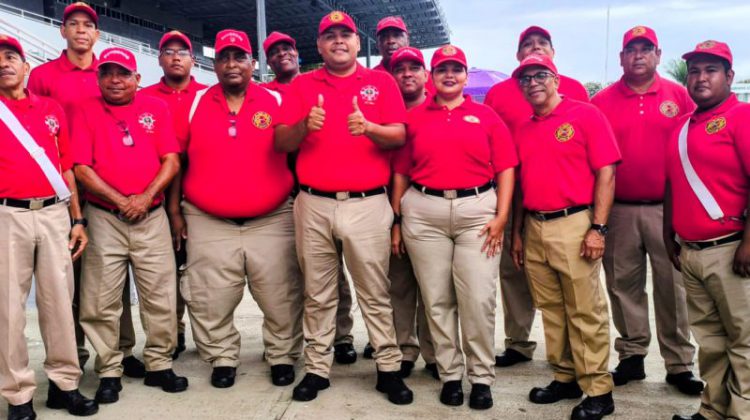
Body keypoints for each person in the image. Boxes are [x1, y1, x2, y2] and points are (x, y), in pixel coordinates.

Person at [275, 11, 412, 404]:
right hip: (314, 201)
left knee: (374, 290)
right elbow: (281, 142)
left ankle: (388, 367)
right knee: (318, 292)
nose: (338, 40)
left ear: (357, 42)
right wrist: (304, 126)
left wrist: (369, 128)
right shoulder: (302, 85)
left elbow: (399, 135)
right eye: (330, 35)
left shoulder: (380, 82)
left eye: (345, 35)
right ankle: (317, 368)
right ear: (319, 45)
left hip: (367, 202)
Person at [175, 29, 304, 389]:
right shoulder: (194, 102)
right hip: (208, 218)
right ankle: (222, 356)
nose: (232, 64)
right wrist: (174, 212)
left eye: (240, 57)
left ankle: (281, 354)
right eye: (224, 57)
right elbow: (177, 161)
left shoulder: (276, 100)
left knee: (281, 292)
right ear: (214, 64)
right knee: (210, 295)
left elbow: (296, 152)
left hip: (271, 217)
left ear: (252, 62)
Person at [392, 45, 516, 409]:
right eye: (442, 69)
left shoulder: (486, 116)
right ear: (432, 76)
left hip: (476, 211)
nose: (450, 75)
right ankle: (449, 374)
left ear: (465, 75)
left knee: (478, 298)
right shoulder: (415, 118)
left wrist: (502, 216)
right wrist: (397, 220)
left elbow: (506, 168)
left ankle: (481, 376)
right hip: (424, 211)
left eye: (456, 69)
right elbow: (401, 172)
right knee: (437, 299)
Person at [27, 1, 143, 377]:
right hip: (65, 188)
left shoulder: (109, 70)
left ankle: (122, 350)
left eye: (87, 25)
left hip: (105, 191)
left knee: (111, 279)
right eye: (73, 24)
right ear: (62, 31)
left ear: (96, 34)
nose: (81, 30)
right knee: (70, 279)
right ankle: (73, 351)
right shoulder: (44, 75)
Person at [71, 47, 187, 404]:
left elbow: (171, 160)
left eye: (123, 73)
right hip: (105, 216)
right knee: (100, 299)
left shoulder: (156, 107)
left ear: (137, 78)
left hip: (151, 216)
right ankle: (110, 369)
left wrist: (145, 197)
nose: (115, 80)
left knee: (160, 295)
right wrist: (122, 201)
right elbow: (80, 168)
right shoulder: (85, 109)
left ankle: (159, 364)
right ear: (98, 78)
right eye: (107, 73)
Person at [591, 26, 702, 395]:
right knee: (623, 285)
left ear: (658, 54)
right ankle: (632, 355)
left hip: (667, 209)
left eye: (645, 48)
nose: (638, 55)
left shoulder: (679, 95)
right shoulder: (602, 101)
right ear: (621, 57)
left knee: (673, 287)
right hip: (619, 209)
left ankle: (679, 363)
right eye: (631, 50)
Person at [511, 54, 620, 419]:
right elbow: (521, 187)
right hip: (535, 224)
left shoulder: (585, 115)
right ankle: (565, 376)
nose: (533, 83)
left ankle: (598, 389)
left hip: (575, 223)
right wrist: (517, 234)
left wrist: (598, 229)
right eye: (526, 78)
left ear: (556, 79)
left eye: (540, 75)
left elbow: (607, 172)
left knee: (585, 310)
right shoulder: (523, 127)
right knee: (552, 310)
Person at [0, 34, 98, 420]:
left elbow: (65, 167)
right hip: (8, 216)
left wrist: (77, 218)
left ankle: (64, 385)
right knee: (9, 309)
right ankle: (18, 395)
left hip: (54, 213)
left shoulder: (50, 108)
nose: (4, 63)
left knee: (59, 302)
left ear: (26, 67)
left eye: (11, 57)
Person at [484, 25, 589, 368]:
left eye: (542, 43)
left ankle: (573, 348)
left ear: (553, 54)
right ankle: (518, 341)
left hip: (562, 198)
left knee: (566, 277)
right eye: (527, 44)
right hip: (512, 193)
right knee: (513, 271)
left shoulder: (573, 88)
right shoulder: (500, 93)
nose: (535, 47)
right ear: (517, 56)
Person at [262, 31, 358, 365]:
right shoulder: (266, 94)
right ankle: (302, 340)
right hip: (288, 193)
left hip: (326, 190)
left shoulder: (315, 84)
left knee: (337, 273)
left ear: (298, 52)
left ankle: (342, 335)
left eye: (287, 48)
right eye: (275, 52)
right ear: (268, 60)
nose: (282, 54)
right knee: (303, 273)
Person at [666, 40, 750, 420]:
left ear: (729, 76)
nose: (700, 78)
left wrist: (749, 243)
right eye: (695, 71)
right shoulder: (681, 127)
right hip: (691, 251)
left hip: (731, 249)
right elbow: (673, 183)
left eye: (710, 70)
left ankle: (741, 413)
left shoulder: (742, 116)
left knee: (744, 341)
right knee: (711, 340)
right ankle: (713, 408)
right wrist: (669, 233)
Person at [140, 30, 207, 361]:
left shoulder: (206, 95)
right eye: (169, 51)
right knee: (166, 270)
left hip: (201, 193)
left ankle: (207, 335)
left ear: (192, 60)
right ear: (159, 59)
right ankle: (173, 331)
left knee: (201, 269)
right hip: (157, 193)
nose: (176, 57)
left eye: (182, 52)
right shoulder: (145, 98)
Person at [387, 46, 437, 379]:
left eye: (414, 67)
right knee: (399, 285)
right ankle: (405, 349)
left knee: (433, 287)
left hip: (429, 206)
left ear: (425, 74)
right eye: (400, 68)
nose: (407, 74)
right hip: (386, 203)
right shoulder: (383, 108)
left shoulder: (438, 108)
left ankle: (434, 353)